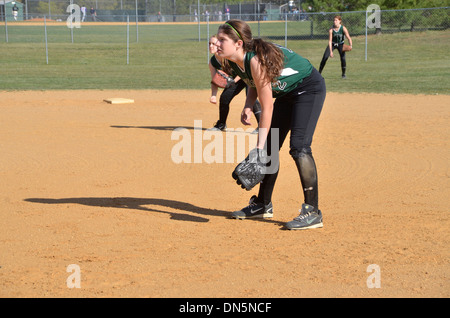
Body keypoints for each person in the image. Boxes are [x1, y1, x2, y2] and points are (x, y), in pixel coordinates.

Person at [215, 20, 326, 230]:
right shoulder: (236, 61)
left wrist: (258, 149)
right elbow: (252, 83)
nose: (217, 43)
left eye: (222, 40)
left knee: (299, 148)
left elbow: (267, 108)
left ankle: (313, 211)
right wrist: (248, 105)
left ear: (238, 43)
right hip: (287, 93)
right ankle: (262, 204)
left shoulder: (255, 60)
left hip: (308, 88)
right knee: (269, 149)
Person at [208, 35, 261, 132]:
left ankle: (262, 126)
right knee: (224, 98)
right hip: (235, 80)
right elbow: (214, 80)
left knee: (251, 99)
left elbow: (243, 69)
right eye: (209, 44)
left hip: (247, 75)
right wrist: (213, 95)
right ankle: (221, 124)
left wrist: (233, 81)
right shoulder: (212, 62)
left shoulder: (228, 56)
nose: (211, 46)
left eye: (214, 44)